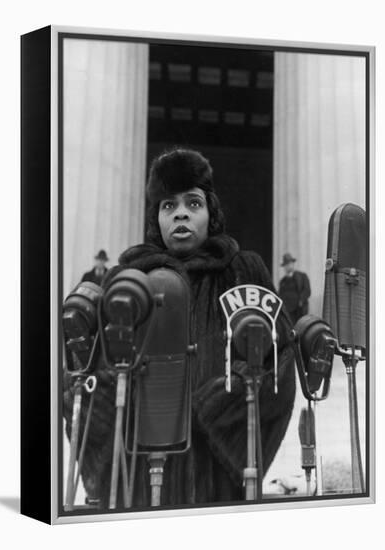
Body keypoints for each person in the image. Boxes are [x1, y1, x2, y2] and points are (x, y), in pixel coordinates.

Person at [63, 148, 296, 508]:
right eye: (168, 206)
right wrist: (116, 395)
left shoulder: (242, 272)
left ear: (210, 213)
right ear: (155, 218)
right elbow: (88, 374)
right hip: (136, 469)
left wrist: (212, 404)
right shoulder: (127, 278)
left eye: (193, 203)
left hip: (215, 472)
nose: (181, 213)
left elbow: (277, 361)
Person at [278, 253, 311, 324]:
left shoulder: (302, 277)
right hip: (287, 311)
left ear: (293, 264)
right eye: (286, 265)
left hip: (299, 310)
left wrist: (301, 300)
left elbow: (307, 290)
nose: (288, 266)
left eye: (289, 264)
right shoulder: (282, 281)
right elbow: (280, 295)